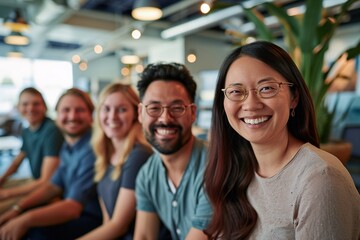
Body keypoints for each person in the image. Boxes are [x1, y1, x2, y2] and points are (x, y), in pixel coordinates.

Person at [204, 41, 360, 239]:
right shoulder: (233, 169)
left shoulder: (320, 180)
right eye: (236, 91)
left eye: (267, 88)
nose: (251, 104)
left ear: (294, 97)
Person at [0, 88, 102, 240]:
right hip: (71, 207)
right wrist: (18, 208)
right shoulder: (69, 145)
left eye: (80, 110)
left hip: (89, 217)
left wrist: (24, 219)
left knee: (33, 233)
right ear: (57, 114)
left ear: (91, 115)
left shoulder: (93, 147)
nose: (72, 116)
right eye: (66, 110)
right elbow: (53, 186)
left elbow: (73, 207)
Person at [134, 62, 212, 240]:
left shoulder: (215, 167)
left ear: (192, 113)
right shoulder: (147, 175)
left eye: (177, 108)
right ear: (140, 113)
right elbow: (144, 236)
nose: (165, 118)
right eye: (154, 108)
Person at [78, 82, 153, 240]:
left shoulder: (138, 155)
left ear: (135, 113)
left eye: (122, 109)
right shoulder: (105, 155)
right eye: (106, 109)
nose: (112, 117)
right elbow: (108, 222)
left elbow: (119, 225)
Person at [0, 87, 64, 214]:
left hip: (48, 189)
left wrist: (6, 194)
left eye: (36, 104)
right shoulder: (27, 130)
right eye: (25, 104)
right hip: (35, 181)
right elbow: (17, 161)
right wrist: (2, 179)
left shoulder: (51, 131)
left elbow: (46, 181)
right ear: (18, 108)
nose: (30, 108)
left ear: (44, 107)